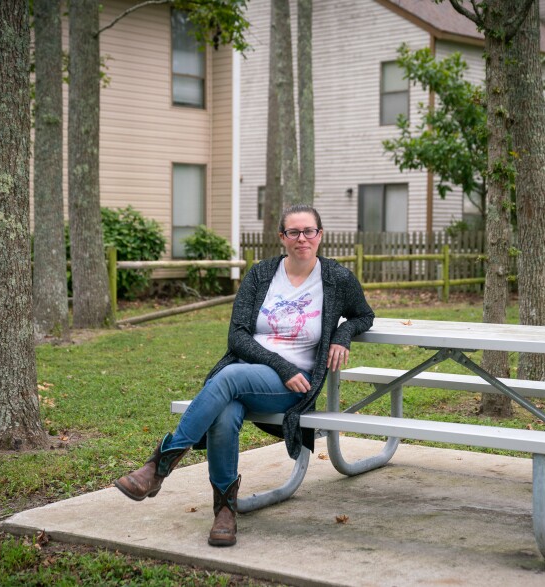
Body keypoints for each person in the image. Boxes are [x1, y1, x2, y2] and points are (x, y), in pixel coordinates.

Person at [114, 204, 375, 547]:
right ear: (282, 237)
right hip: (256, 371)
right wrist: (278, 364)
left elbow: (364, 315)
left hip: (294, 383)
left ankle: (160, 465)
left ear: (320, 235)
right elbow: (237, 336)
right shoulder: (261, 274)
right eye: (293, 232)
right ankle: (225, 511)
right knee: (225, 411)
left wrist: (342, 336)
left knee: (228, 378)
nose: (302, 239)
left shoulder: (336, 279)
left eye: (308, 231)